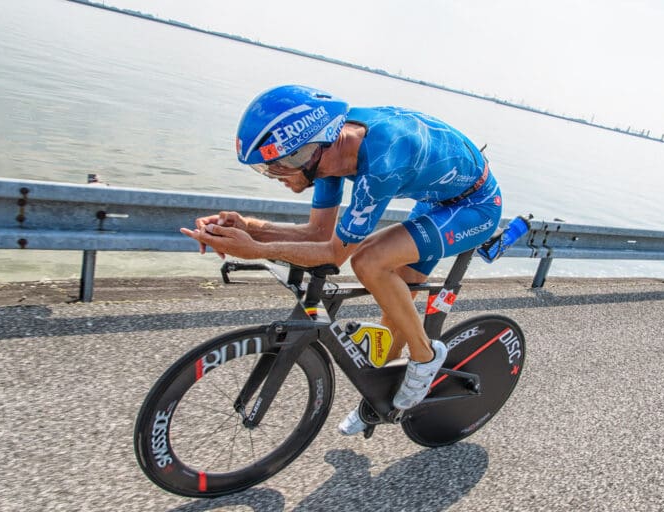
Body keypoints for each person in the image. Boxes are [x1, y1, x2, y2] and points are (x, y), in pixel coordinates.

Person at [181, 85, 503, 435]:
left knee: (368, 261)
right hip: (437, 196)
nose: (278, 177)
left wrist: (256, 249)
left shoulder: (380, 162)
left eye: (279, 167)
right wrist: (250, 229)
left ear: (309, 151)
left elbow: (335, 254)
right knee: (394, 312)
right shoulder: (329, 150)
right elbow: (318, 234)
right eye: (268, 170)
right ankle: (381, 403)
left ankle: (425, 357)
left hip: (475, 206)